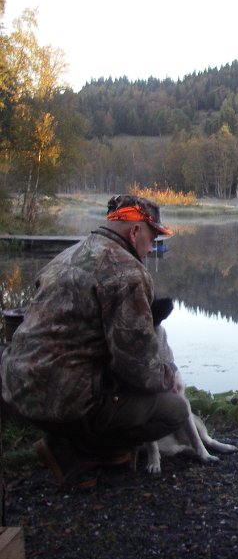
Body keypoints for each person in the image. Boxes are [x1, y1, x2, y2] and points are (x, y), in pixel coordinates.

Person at [1, 195, 189, 489]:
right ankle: (92, 449)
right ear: (135, 232)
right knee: (174, 410)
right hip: (63, 399)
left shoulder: (67, 255)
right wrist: (169, 375)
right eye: (151, 238)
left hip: (16, 386)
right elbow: (136, 365)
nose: (151, 247)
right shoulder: (127, 272)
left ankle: (62, 439)